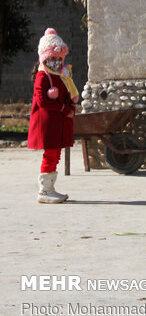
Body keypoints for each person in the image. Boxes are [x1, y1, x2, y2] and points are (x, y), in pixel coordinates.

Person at [28, 28, 80, 203]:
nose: (57, 62)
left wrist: (70, 104)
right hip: (49, 125)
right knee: (50, 154)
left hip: (57, 124)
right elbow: (42, 100)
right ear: (44, 58)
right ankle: (45, 191)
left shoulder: (60, 76)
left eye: (60, 59)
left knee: (55, 154)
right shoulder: (43, 77)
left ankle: (50, 188)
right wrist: (64, 109)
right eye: (53, 58)